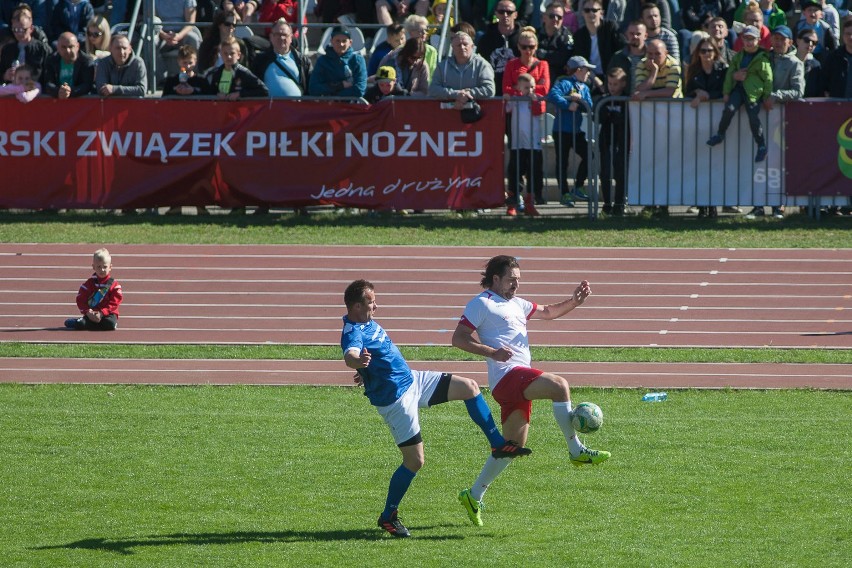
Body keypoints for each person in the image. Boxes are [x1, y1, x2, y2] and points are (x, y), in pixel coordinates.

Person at [341, 279, 530, 538]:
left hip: (413, 380)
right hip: (397, 400)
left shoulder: (366, 322)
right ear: (356, 306)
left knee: (470, 387)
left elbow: (374, 357)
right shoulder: (352, 331)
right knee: (415, 461)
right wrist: (357, 363)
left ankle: (497, 443)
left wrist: (367, 370)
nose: (377, 305)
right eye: (371, 301)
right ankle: (388, 516)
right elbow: (350, 354)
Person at [452, 255, 610, 527]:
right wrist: (492, 352)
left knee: (511, 448)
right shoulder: (482, 303)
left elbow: (548, 311)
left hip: (514, 383)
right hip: (507, 376)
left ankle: (473, 494)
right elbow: (458, 338)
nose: (516, 284)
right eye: (511, 279)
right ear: (496, 279)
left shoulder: (518, 304)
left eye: (518, 280)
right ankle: (576, 451)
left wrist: (575, 301)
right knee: (559, 385)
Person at [707, 25, 772, 163]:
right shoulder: (739, 56)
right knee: (729, 109)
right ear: (742, 40)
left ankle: (761, 145)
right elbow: (731, 73)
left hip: (754, 92)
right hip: (739, 89)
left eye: (752, 39)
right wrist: (726, 91)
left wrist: (766, 96)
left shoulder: (762, 58)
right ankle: (720, 134)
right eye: (746, 39)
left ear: (758, 40)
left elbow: (768, 79)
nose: (748, 42)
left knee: (753, 118)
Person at [503, 26, 550, 213]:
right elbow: (506, 88)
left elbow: (544, 88)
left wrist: (522, 89)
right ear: (518, 46)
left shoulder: (543, 64)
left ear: (536, 46)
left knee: (534, 163)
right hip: (515, 118)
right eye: (524, 46)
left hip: (534, 117)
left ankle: (531, 200)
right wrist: (525, 91)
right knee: (516, 161)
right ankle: (514, 200)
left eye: (531, 46)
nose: (527, 50)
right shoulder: (512, 64)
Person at [685, 37, 727, 217]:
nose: (706, 54)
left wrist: (707, 95)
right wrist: (696, 93)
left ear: (715, 53)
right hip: (699, 122)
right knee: (700, 165)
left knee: (717, 165)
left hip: (719, 121)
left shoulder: (723, 70)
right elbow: (687, 91)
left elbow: (726, 91)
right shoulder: (693, 70)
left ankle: (714, 205)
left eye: (709, 51)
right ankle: (702, 205)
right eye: (703, 51)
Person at [548, 55, 594, 207]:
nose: (589, 73)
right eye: (587, 70)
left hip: (576, 130)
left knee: (590, 155)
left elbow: (589, 105)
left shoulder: (585, 87)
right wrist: (567, 103)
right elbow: (553, 95)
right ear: (579, 70)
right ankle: (564, 193)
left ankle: (579, 186)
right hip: (561, 129)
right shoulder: (564, 82)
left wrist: (579, 101)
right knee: (562, 162)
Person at [428, 30, 495, 104]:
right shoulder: (442, 66)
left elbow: (490, 89)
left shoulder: (482, 65)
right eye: (459, 45)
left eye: (465, 44)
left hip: (476, 112)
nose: (462, 47)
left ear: (472, 46)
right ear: (452, 47)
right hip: (447, 112)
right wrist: (456, 94)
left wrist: (469, 94)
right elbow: (433, 90)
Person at [64, 248, 123, 331]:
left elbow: (114, 303)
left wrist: (102, 313)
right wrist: (88, 312)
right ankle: (77, 322)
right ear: (93, 267)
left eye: (105, 267)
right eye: (99, 267)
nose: (102, 270)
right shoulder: (89, 284)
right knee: (81, 324)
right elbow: (81, 300)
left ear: (110, 267)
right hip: (92, 313)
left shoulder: (115, 286)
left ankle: (89, 325)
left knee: (110, 324)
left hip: (108, 314)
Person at [251, 18, 311, 97]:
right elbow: (251, 85)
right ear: (271, 37)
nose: (281, 38)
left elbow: (312, 86)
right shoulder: (260, 60)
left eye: (285, 35)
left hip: (297, 107)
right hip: (269, 108)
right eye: (277, 34)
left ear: (291, 38)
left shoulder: (303, 60)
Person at [598, 66, 630, 216]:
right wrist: (607, 115)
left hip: (622, 141)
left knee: (620, 172)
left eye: (615, 84)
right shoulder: (604, 99)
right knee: (605, 172)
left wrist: (615, 118)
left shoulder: (627, 100)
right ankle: (606, 204)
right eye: (610, 84)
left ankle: (619, 203)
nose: (612, 87)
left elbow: (626, 120)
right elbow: (597, 116)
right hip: (606, 140)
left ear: (623, 84)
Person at [573, 0, 623, 93]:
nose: (591, 13)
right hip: (591, 77)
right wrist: (598, 82)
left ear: (601, 13)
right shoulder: (579, 35)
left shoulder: (611, 28)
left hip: (613, 75)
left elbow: (621, 51)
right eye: (587, 10)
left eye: (594, 10)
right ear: (583, 13)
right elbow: (581, 62)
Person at [476, 0, 523, 95]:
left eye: (509, 12)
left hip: (518, 92)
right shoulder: (486, 39)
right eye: (501, 12)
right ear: (496, 14)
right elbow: (479, 64)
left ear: (515, 15)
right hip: (492, 91)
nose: (505, 15)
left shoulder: (523, 37)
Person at [308, 25, 367, 98]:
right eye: (337, 41)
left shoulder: (358, 60)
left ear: (350, 42)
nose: (341, 44)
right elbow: (313, 88)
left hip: (351, 106)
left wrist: (332, 95)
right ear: (331, 41)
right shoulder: (322, 61)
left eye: (344, 41)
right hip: (328, 106)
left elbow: (359, 90)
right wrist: (340, 85)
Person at [0, 5, 52, 83]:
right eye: (15, 30)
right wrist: (4, 76)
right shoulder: (7, 49)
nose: (19, 33)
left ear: (31, 28)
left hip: (35, 90)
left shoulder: (42, 49)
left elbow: (49, 76)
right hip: (11, 90)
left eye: (23, 29)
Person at [42, 31, 95, 98]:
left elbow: (87, 85)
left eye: (71, 46)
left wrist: (70, 92)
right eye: (63, 47)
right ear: (57, 47)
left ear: (77, 46)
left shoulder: (86, 61)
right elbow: (48, 84)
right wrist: (59, 91)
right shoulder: (51, 60)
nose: (67, 50)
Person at [536, 1, 574, 82]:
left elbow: (562, 59)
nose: (555, 19)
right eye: (552, 16)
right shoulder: (535, 34)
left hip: (559, 79)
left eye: (559, 17)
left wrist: (542, 54)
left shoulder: (567, 35)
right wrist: (553, 55)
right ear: (544, 17)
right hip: (537, 76)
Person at [607, 19, 647, 91]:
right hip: (623, 101)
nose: (635, 36)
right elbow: (608, 81)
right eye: (632, 33)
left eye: (638, 34)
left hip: (649, 101)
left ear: (645, 36)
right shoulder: (618, 57)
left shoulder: (652, 56)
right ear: (626, 35)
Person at [820, 18, 852, 98]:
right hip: (838, 105)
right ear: (843, 35)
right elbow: (824, 81)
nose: (851, 37)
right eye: (848, 34)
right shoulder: (833, 57)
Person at [795, 28, 821, 98]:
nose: (810, 44)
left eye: (814, 42)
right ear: (798, 41)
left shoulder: (816, 65)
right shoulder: (787, 60)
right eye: (807, 40)